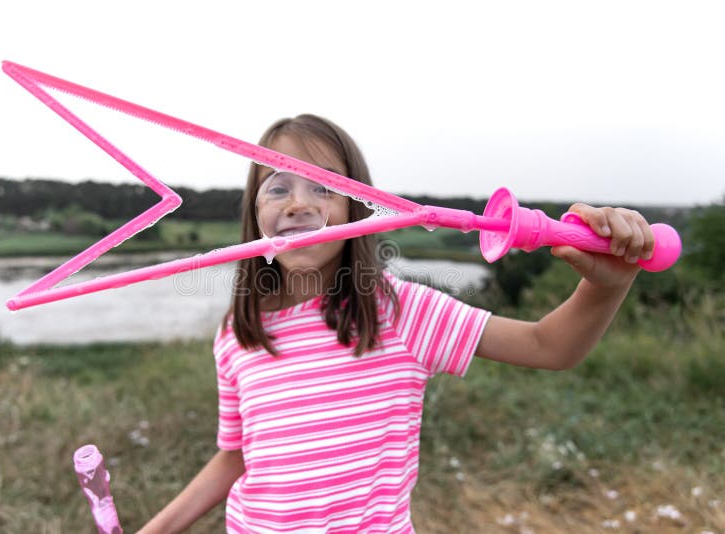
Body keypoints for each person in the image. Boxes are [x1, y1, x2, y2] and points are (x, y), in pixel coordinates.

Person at [137, 114, 654, 533]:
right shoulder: (236, 335)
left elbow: (550, 346)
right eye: (278, 188)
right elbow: (234, 460)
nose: (298, 204)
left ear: (358, 212)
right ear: (255, 215)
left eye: (322, 188)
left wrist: (607, 284)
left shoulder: (402, 312)